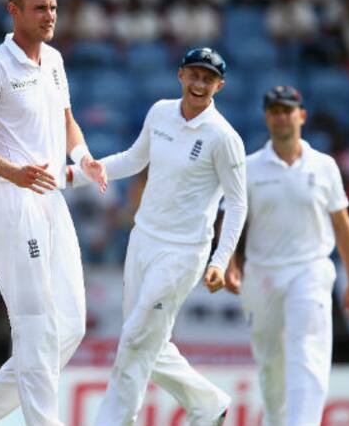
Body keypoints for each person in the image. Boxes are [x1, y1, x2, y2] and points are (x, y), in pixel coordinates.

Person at [0, 0, 107, 425]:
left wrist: (84, 157)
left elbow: (67, 121)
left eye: (53, 7)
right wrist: (13, 172)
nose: (50, 16)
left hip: (52, 197)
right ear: (14, 11)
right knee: (36, 325)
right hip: (12, 199)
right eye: (40, 8)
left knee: (71, 325)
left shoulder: (54, 60)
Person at [71, 47, 246, 426]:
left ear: (219, 86)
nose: (199, 84)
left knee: (137, 336)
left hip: (183, 252)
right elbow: (134, 159)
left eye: (209, 79)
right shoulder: (160, 112)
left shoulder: (223, 137)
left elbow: (237, 204)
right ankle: (208, 404)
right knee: (147, 338)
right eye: (194, 75)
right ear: (180, 75)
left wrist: (220, 260)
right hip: (143, 239)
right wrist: (78, 175)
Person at [224, 85, 349, 426]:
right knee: (271, 361)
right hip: (262, 274)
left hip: (310, 269)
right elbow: (231, 218)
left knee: (307, 348)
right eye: (274, 111)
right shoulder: (248, 167)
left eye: (287, 111)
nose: (281, 117)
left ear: (301, 115)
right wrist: (228, 263)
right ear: (266, 117)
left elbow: (342, 224)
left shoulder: (324, 166)